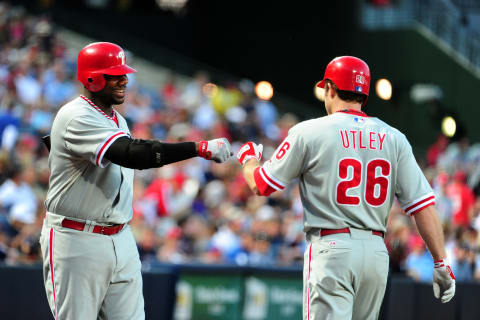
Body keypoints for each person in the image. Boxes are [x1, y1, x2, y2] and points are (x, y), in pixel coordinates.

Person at [237, 56, 455, 320]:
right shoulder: (394, 137)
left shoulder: (310, 131)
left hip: (332, 247)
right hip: (376, 252)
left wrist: (248, 158)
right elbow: (423, 206)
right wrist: (441, 261)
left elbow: (261, 184)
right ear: (364, 95)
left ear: (330, 88)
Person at [39, 42, 232, 320]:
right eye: (115, 74)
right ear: (92, 78)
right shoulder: (76, 115)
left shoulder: (116, 118)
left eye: (124, 73)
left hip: (120, 236)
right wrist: (199, 148)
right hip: (77, 238)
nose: (124, 79)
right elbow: (135, 155)